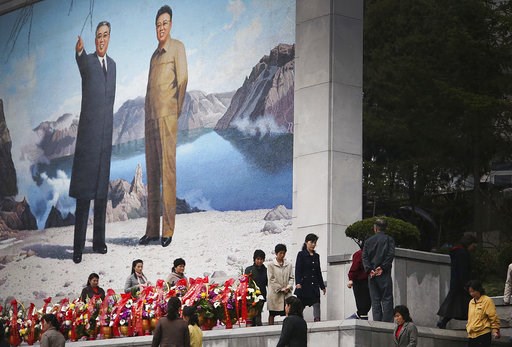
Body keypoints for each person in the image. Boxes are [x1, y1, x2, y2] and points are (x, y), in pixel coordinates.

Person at [139, 4, 188, 248]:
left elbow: (184, 79)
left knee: (167, 173)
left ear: (171, 25)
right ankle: (151, 230)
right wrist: (148, 114)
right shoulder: (153, 55)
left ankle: (167, 230)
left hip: (168, 116)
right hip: (151, 119)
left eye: (165, 23)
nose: (161, 28)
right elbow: (149, 89)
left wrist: (175, 109)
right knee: (152, 174)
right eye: (158, 24)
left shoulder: (177, 47)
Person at [69, 20, 116, 264]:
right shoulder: (86, 61)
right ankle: (78, 248)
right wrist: (79, 51)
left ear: (109, 39)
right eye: (98, 35)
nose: (101, 39)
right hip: (88, 144)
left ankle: (98, 243)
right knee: (84, 198)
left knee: (100, 195)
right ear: (95, 38)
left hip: (104, 144)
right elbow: (80, 62)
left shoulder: (114, 66)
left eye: (105, 35)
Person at [437, 234, 477, 329]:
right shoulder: (462, 253)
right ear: (469, 244)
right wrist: (466, 284)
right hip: (462, 284)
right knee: (470, 305)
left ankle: (443, 322)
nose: (474, 248)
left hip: (457, 283)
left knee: (454, 305)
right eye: (473, 246)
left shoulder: (457, 252)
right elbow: (463, 270)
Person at [362, 218, 395, 322]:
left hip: (372, 275)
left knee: (375, 301)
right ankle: (387, 324)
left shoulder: (368, 241)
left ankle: (377, 324)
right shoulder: (389, 239)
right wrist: (382, 267)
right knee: (387, 299)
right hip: (384, 274)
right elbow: (390, 255)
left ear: (375, 228)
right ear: (385, 228)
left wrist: (369, 270)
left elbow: (364, 257)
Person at [294, 233, 326, 322]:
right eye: (311, 242)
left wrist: (322, 286)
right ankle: (299, 322)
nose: (313, 244)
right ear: (306, 242)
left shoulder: (316, 256)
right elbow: (298, 270)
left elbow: (318, 272)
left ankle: (317, 321)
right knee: (299, 307)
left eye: (315, 243)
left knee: (316, 303)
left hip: (314, 286)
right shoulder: (301, 254)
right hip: (304, 285)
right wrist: (298, 283)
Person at [466, 280, 500, 347]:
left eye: (473, 291)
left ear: (479, 290)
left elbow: (493, 317)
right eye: (470, 292)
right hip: (471, 335)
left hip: (483, 334)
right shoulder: (471, 302)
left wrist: (495, 330)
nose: (472, 294)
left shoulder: (487, 301)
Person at [267, 243, 294, 325]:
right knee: (272, 313)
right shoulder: (271, 265)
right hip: (275, 294)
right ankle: (270, 328)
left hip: (287, 294)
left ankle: (289, 327)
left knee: (289, 312)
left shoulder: (289, 265)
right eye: (280, 253)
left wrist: (288, 287)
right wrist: (280, 289)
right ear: (276, 253)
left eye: (284, 253)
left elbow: (291, 278)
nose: (282, 255)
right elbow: (271, 279)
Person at [347, 242, 371, 320]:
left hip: (365, 281)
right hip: (360, 281)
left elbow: (354, 268)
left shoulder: (363, 254)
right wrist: (351, 279)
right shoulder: (360, 254)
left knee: (365, 305)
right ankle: (358, 318)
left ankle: (357, 317)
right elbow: (354, 268)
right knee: (364, 305)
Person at [244, 249, 268, 326]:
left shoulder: (266, 270)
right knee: (251, 316)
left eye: (261, 259)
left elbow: (268, 283)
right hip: (250, 297)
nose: (259, 261)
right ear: (254, 259)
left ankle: (259, 328)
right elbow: (245, 283)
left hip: (261, 296)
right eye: (258, 259)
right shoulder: (249, 270)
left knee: (258, 314)